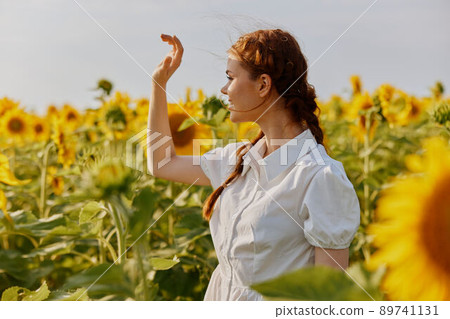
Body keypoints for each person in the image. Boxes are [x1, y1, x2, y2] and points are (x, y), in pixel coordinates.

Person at [148, 29, 360, 301]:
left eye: (230, 77)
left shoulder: (320, 177)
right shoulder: (236, 159)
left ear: (263, 84)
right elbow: (161, 163)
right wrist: (158, 84)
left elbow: (329, 297)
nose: (224, 89)